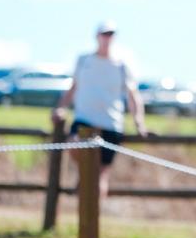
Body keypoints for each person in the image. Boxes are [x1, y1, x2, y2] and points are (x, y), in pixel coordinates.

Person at [51, 21, 147, 197]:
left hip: (110, 124)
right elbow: (73, 88)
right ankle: (85, 177)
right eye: (104, 34)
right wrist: (60, 108)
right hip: (84, 120)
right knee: (75, 146)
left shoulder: (122, 65)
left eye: (111, 34)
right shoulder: (84, 60)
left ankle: (93, 219)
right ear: (97, 36)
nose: (107, 38)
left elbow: (133, 95)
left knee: (101, 174)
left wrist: (139, 122)